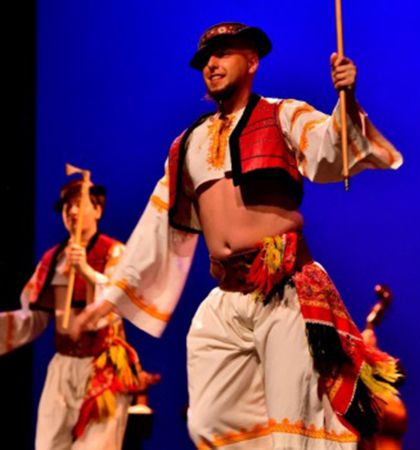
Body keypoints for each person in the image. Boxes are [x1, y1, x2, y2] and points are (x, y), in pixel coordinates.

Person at [73, 22, 403, 449]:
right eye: (205, 60)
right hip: (227, 295)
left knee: (292, 421)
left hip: (282, 291)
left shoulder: (283, 115)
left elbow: (330, 151)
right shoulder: (188, 143)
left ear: (251, 61)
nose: (211, 64)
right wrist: (103, 304)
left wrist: (347, 97)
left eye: (223, 53)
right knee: (210, 421)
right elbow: (156, 228)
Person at [0, 177, 143, 450]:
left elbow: (119, 300)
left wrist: (87, 272)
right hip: (63, 366)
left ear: (98, 210)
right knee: (48, 444)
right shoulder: (52, 259)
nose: (72, 211)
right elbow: (34, 317)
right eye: (67, 206)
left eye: (79, 204)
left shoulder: (114, 252)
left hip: (102, 365)